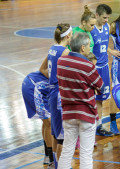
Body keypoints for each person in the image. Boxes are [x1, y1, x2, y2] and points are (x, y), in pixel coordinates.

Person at [57, 32, 103, 169]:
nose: (90, 48)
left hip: (68, 114)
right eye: (89, 46)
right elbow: (100, 86)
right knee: (86, 154)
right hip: (86, 114)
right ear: (83, 48)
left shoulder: (61, 62)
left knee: (67, 151)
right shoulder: (88, 66)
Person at [39, 23, 72, 168]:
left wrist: (53, 78)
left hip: (52, 93)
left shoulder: (52, 49)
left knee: (55, 132)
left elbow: (42, 69)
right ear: (69, 36)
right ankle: (62, 166)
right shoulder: (65, 52)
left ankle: (54, 163)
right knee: (62, 138)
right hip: (60, 94)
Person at [90, 4, 115, 136]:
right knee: (91, 99)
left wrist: (111, 51)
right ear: (97, 15)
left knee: (100, 98)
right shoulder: (91, 30)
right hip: (94, 68)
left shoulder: (107, 27)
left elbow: (105, 45)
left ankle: (98, 126)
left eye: (108, 18)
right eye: (104, 17)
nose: (106, 20)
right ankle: (90, 126)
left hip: (105, 67)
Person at [21, 71, 53, 166]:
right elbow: (43, 69)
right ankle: (51, 160)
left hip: (38, 85)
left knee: (46, 122)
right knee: (49, 123)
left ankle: (48, 155)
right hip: (35, 86)